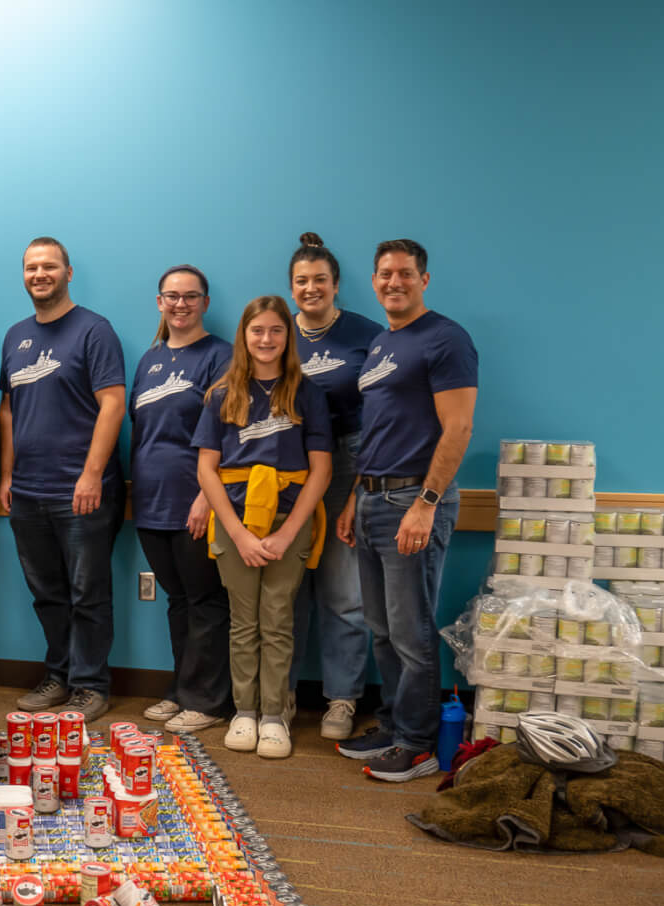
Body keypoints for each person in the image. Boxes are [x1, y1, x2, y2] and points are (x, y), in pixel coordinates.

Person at [336, 239, 476, 781]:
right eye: (385, 274)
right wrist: (355, 497)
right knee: (381, 628)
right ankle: (394, 726)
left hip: (412, 501)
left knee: (412, 630)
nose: (393, 282)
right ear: (373, 281)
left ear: (424, 279)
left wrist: (426, 502)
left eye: (404, 274)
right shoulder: (381, 345)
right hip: (372, 497)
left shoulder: (446, 338)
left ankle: (418, 744)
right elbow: (379, 429)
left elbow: (458, 426)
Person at [195, 295, 332, 759]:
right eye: (258, 331)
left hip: (286, 525)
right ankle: (244, 712)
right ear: (244, 336)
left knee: (277, 620)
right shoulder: (220, 394)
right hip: (234, 525)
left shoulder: (306, 392)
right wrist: (237, 533)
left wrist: (287, 532)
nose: (266, 339)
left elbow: (321, 471)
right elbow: (207, 471)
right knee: (242, 623)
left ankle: (274, 714)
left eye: (276, 330)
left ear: (287, 337)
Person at [0, 237, 127, 723]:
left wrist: (92, 475)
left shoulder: (94, 330)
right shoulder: (15, 336)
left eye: (49, 266)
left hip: (82, 490)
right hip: (28, 491)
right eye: (31, 267)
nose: (39, 274)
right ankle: (60, 673)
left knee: (87, 592)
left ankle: (91, 685)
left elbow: (112, 403)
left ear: (68, 272)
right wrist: (7, 473)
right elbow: (7, 410)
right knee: (47, 593)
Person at [128, 264, 234, 735]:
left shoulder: (221, 357)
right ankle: (181, 689)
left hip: (195, 499)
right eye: (171, 296)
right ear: (159, 302)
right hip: (151, 499)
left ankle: (207, 700)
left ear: (205, 303)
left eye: (190, 296)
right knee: (178, 600)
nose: (180, 304)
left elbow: (227, 435)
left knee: (206, 600)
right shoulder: (150, 361)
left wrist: (206, 498)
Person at [285, 232, 381, 740]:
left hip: (349, 461)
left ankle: (342, 698)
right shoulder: (277, 334)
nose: (311, 288)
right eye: (302, 281)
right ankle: (280, 697)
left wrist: (364, 478)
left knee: (344, 591)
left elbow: (386, 409)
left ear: (337, 285)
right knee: (289, 589)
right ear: (291, 287)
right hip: (287, 466)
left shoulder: (366, 333)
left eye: (320, 279)